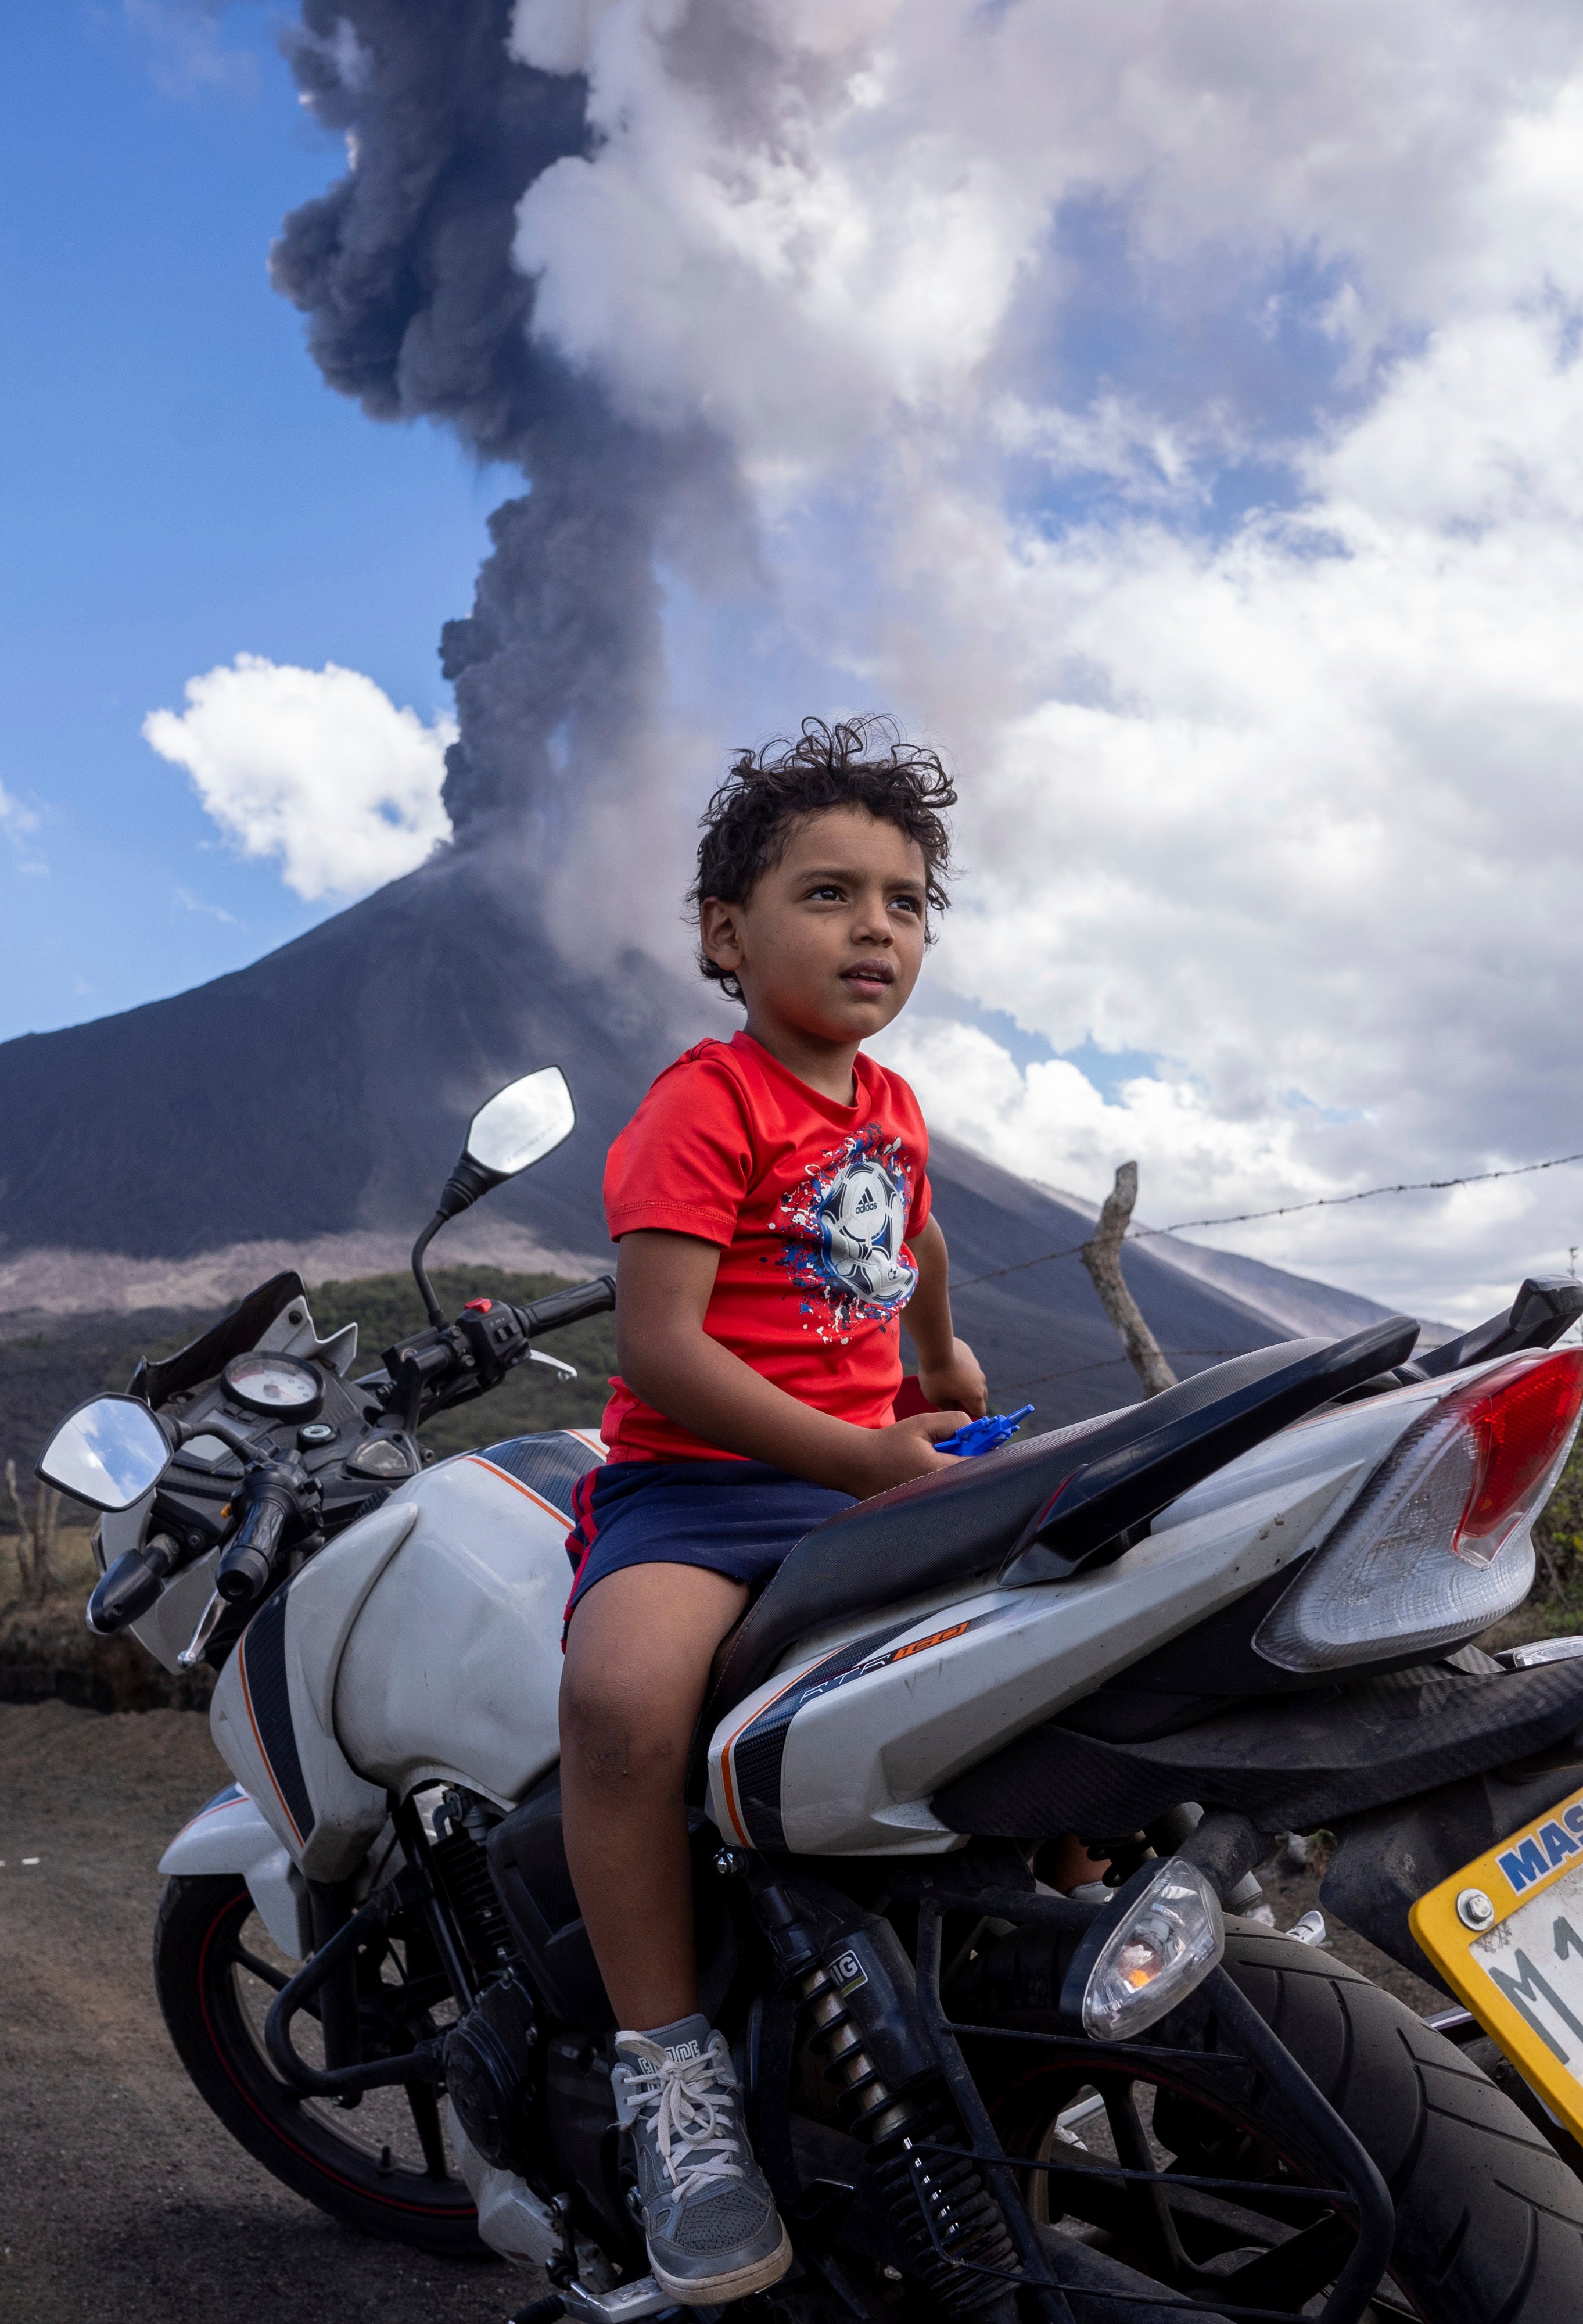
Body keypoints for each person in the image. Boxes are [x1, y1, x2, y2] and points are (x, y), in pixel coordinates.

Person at [558, 716, 989, 2305]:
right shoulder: (706, 1103)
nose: (877, 925)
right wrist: (862, 1455)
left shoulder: (888, 1103)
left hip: (855, 1470)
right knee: (618, 1706)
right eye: (830, 893)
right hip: (706, 1490)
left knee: (1059, 1617)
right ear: (727, 938)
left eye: (907, 898)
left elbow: (914, 1229)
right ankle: (670, 2077)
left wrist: (933, 1358)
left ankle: (1079, 1959)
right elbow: (661, 1345)